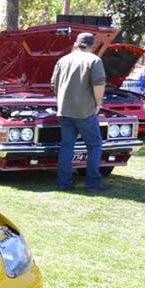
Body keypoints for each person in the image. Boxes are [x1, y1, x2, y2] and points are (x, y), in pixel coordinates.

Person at [50, 32, 109, 191]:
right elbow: (98, 85)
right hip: (85, 111)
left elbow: (53, 85)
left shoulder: (62, 60)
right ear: (92, 45)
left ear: (76, 43)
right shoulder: (94, 60)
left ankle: (64, 183)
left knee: (67, 146)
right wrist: (98, 104)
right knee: (94, 145)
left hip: (64, 111)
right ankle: (93, 183)